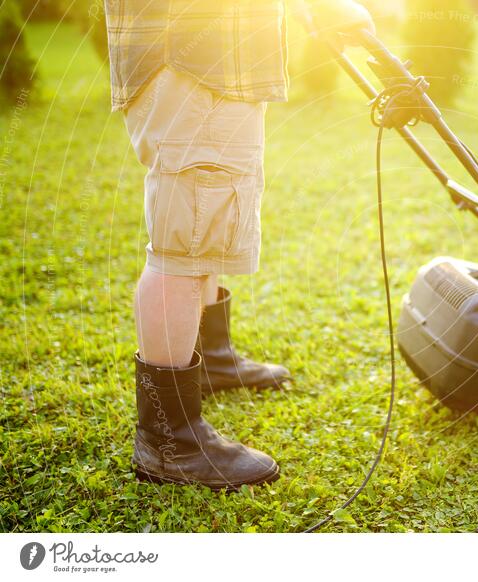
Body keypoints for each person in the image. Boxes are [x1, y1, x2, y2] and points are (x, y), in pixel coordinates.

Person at [104, 0, 375, 489]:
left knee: (207, 224)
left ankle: (212, 360)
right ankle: (170, 441)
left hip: (216, 58)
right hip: (193, 56)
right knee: (183, 243)